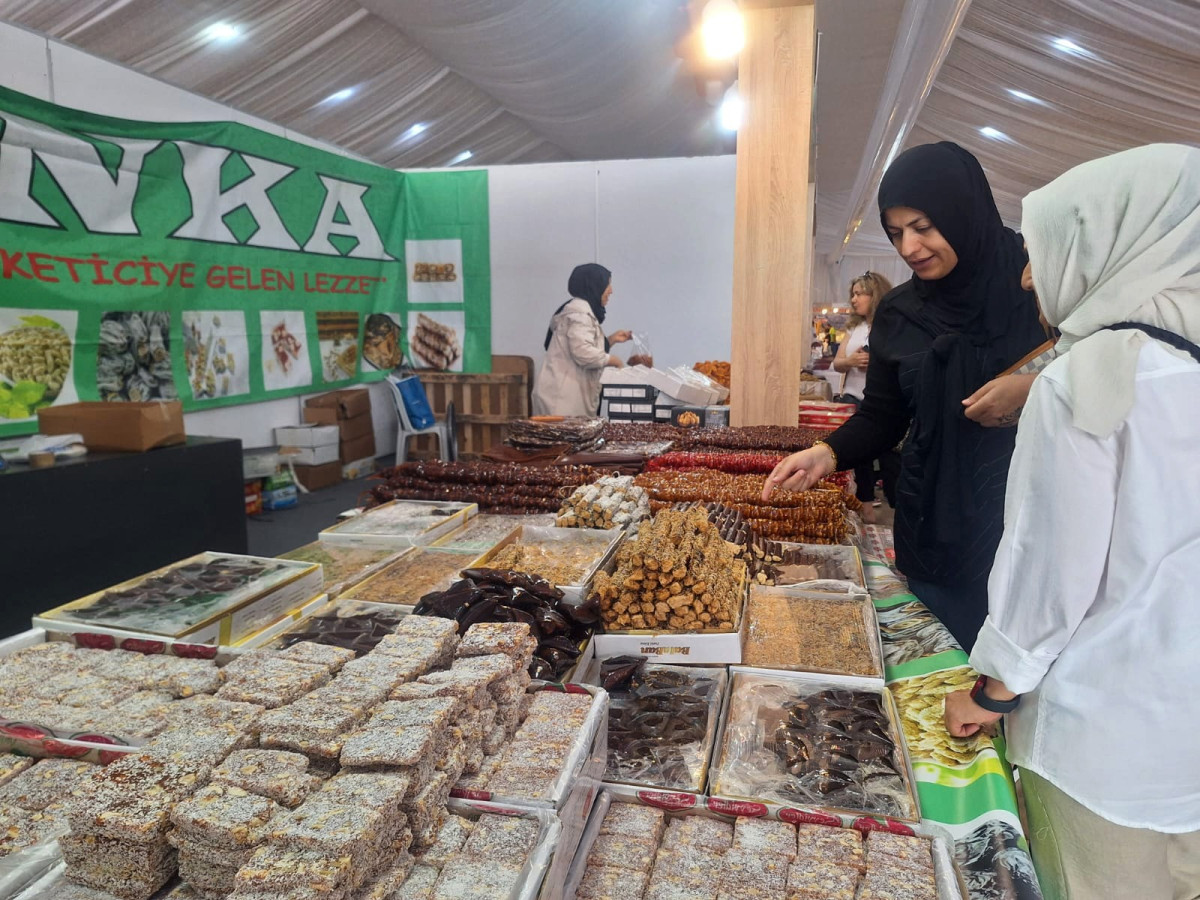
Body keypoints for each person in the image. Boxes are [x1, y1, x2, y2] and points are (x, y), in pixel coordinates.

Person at [944, 143, 1200, 899]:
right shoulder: (1184, 365)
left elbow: (1050, 570)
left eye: (1046, 249)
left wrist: (993, 691)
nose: (1029, 275)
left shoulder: (1087, 379)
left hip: (1101, 741)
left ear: (1106, 246)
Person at [764, 142, 1047, 650]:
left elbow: (1115, 368)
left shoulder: (1039, 280)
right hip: (936, 523)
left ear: (963, 210)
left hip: (1032, 522)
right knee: (947, 676)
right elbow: (883, 415)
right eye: (896, 233)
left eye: (924, 226)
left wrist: (1032, 389)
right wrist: (826, 453)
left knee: (1024, 679)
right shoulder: (900, 311)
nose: (910, 247)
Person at [832, 271, 900, 515]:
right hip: (852, 398)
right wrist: (851, 360)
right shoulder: (854, 328)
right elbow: (837, 364)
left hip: (883, 400)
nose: (854, 299)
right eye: (853, 294)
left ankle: (896, 507)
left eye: (860, 293)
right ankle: (865, 503)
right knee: (858, 456)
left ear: (876, 294)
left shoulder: (892, 325)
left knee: (889, 456)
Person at [532, 263, 631, 417]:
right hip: (561, 402)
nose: (611, 290)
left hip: (565, 398)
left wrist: (610, 340)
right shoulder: (579, 315)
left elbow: (581, 345)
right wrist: (614, 360)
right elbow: (582, 352)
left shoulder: (580, 312)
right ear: (594, 286)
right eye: (607, 284)